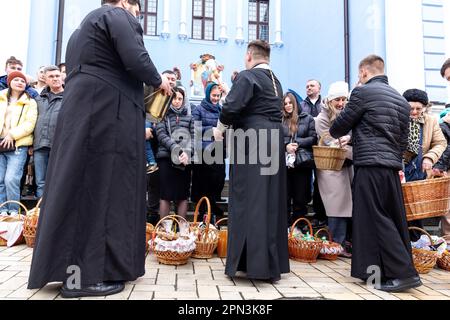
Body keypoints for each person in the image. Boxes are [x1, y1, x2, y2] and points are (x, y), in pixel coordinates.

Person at [28, 0, 172, 298]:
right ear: (123, 2)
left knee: (75, 185)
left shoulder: (82, 29)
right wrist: (160, 81)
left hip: (84, 110)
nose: (137, 15)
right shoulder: (116, 15)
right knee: (100, 189)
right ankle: (82, 277)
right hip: (105, 113)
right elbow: (136, 58)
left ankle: (68, 270)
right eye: (137, 8)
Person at [329, 55, 421, 292]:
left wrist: (346, 131)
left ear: (363, 72)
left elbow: (339, 126)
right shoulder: (401, 100)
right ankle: (373, 270)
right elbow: (402, 140)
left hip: (369, 165)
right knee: (392, 218)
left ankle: (404, 273)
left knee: (375, 218)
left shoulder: (362, 93)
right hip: (390, 167)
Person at [213, 40, 290, 282]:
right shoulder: (275, 80)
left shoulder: (247, 76)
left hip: (253, 141)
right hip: (273, 140)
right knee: (269, 201)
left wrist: (220, 128)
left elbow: (232, 107)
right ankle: (264, 262)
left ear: (249, 56)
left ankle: (254, 264)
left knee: (250, 200)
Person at [402, 89, 446, 240]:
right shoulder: (398, 118)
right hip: (401, 171)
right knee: (401, 210)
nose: (414, 112)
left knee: (417, 211)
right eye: (411, 108)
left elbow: (440, 143)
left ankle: (416, 245)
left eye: (418, 109)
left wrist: (429, 158)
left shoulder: (431, 121)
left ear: (425, 107)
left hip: (420, 173)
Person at [315, 81, 353, 257]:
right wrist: (354, 149)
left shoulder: (348, 115)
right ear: (330, 100)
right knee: (336, 206)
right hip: (330, 168)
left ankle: (344, 243)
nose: (341, 103)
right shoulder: (322, 119)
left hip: (346, 167)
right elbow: (332, 144)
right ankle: (336, 244)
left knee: (348, 206)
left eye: (344, 99)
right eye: (338, 99)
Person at [0, 71, 38, 216]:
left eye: (22, 81)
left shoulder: (30, 101)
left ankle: (14, 211)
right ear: (9, 82)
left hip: (18, 145)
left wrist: (12, 134)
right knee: (0, 180)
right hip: (0, 144)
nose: (20, 82)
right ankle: (3, 211)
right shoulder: (1, 98)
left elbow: (30, 124)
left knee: (11, 179)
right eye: (16, 79)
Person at [156, 87, 194, 219]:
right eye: (174, 98)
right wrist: (177, 150)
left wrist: (187, 153)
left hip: (184, 161)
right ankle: (164, 231)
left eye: (180, 99)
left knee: (183, 195)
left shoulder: (190, 117)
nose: (177, 101)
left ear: (184, 100)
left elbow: (195, 137)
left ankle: (182, 229)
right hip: (166, 158)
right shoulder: (162, 115)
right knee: (165, 195)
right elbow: (161, 135)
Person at [191, 82, 226, 222]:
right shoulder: (198, 109)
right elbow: (194, 129)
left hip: (217, 151)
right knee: (203, 184)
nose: (216, 98)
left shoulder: (221, 110)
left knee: (218, 179)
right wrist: (211, 131)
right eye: (213, 95)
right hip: (203, 153)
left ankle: (211, 212)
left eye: (218, 95)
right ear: (207, 94)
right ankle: (202, 216)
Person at [282, 92, 317, 226]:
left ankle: (299, 227)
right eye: (285, 104)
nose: (288, 106)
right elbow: (275, 139)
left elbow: (313, 138)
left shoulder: (307, 118)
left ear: (295, 103)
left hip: (301, 164)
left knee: (300, 198)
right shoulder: (280, 120)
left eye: (290, 103)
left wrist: (297, 143)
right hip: (284, 165)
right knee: (284, 198)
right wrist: (286, 146)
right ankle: (285, 229)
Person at [33, 66, 65, 199]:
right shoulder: (38, 99)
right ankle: (41, 214)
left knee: (58, 182)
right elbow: (33, 122)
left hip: (59, 146)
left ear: (62, 77)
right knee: (40, 182)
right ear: (45, 79)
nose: (55, 79)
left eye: (57, 76)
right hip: (39, 146)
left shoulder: (70, 97)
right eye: (51, 77)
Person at [299, 79, 327, 228]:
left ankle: (320, 215)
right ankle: (303, 217)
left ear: (319, 88)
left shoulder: (326, 105)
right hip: (306, 149)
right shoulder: (301, 106)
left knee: (321, 182)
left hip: (324, 149)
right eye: (307, 86)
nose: (309, 88)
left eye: (312, 85)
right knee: (304, 182)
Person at [435, 108, 450, 250]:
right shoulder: (443, 127)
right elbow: (444, 150)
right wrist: (442, 168)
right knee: (447, 207)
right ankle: (448, 239)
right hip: (446, 169)